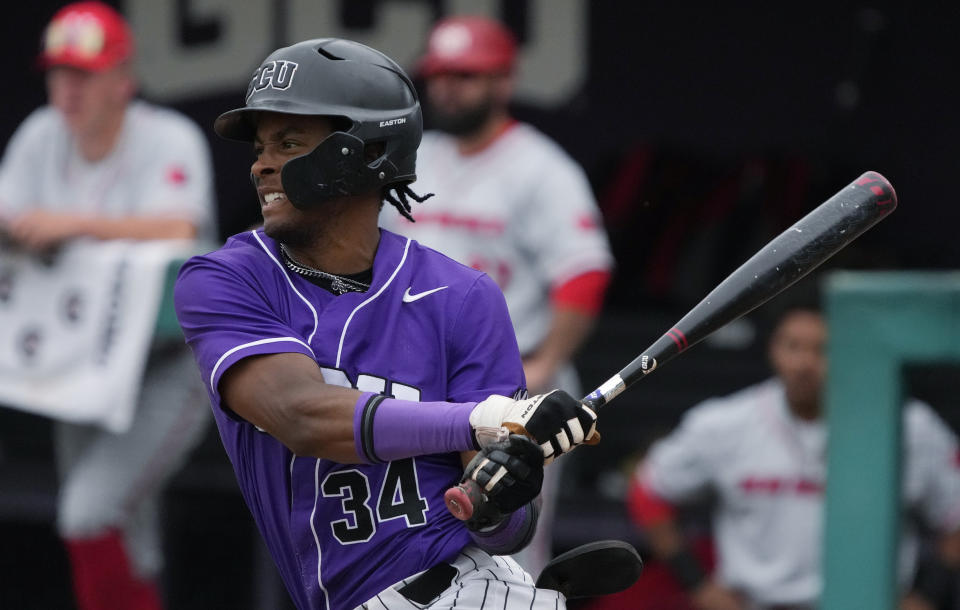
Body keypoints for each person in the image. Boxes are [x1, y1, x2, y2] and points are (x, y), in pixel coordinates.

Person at [173, 37, 601, 610]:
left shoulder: (464, 297)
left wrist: (505, 491)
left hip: (464, 589)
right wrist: (485, 420)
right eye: (261, 146)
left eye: (290, 142)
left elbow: (502, 530)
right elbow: (299, 414)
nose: (261, 165)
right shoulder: (225, 279)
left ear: (364, 150)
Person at [379, 15, 614, 576]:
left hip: (505, 381)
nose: (448, 87)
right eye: (440, 75)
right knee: (409, 539)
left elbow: (583, 271)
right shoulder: (416, 157)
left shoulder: (540, 167)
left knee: (505, 553)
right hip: (413, 383)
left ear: (504, 81)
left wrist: (546, 363)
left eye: (467, 75)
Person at [0, 3, 215, 609]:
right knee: (123, 535)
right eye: (59, 71)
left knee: (86, 513)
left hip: (168, 362)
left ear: (123, 78)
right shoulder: (41, 134)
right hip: (83, 362)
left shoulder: (168, 135)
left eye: (84, 73)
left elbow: (180, 228)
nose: (67, 87)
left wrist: (72, 225)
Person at [626, 295, 960, 610]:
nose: (805, 363)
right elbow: (648, 493)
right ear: (773, 349)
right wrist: (699, 585)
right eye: (793, 346)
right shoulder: (724, 424)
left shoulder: (910, 426)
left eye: (822, 349)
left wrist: (926, 597)